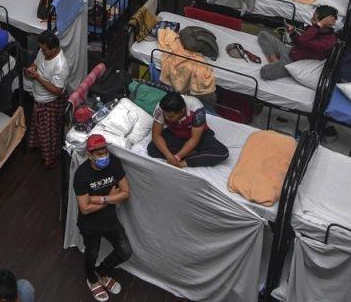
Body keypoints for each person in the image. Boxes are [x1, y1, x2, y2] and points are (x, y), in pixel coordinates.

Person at [74, 133, 132, 301]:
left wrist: (100, 199)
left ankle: (103, 272)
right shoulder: (81, 174)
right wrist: (111, 199)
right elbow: (85, 209)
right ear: (90, 155)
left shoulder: (113, 163)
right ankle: (92, 279)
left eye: (105, 151)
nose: (104, 156)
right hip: (90, 225)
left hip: (110, 220)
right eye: (99, 154)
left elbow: (126, 193)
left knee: (125, 251)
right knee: (91, 254)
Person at [146, 91, 227, 168]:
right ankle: (192, 153)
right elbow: (156, 135)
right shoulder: (161, 108)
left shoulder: (197, 108)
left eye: (170, 116)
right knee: (151, 149)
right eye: (165, 115)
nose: (166, 118)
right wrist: (168, 156)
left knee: (222, 152)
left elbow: (195, 139)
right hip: (175, 133)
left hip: (198, 136)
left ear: (182, 111)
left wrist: (178, 157)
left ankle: (186, 161)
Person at [256, 5, 338, 80]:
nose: (311, 20)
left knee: (265, 72)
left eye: (314, 19)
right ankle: (274, 59)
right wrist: (293, 33)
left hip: (293, 63)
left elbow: (303, 40)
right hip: (291, 51)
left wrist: (319, 25)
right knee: (263, 34)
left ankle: (279, 64)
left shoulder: (328, 42)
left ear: (324, 23)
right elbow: (299, 43)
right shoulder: (314, 29)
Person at [25, 31, 68, 169]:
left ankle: (50, 158)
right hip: (39, 98)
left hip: (50, 102)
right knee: (39, 127)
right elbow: (36, 64)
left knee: (49, 133)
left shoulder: (60, 66)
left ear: (54, 48)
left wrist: (37, 78)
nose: (41, 51)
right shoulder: (43, 53)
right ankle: (39, 146)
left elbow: (57, 90)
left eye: (44, 49)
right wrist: (32, 69)